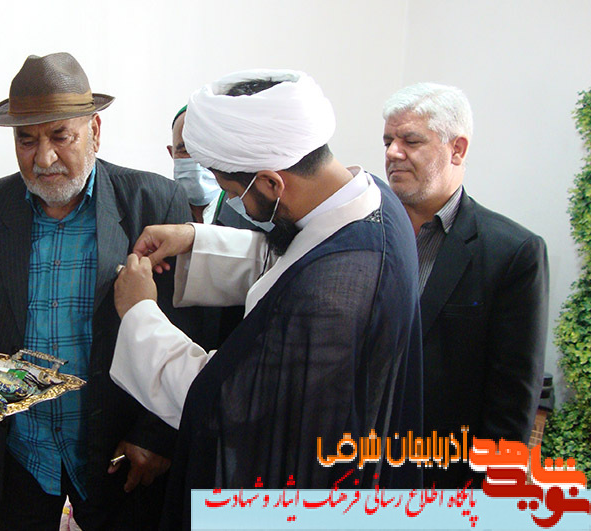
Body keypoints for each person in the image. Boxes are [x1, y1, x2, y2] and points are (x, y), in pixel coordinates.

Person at [110, 70, 424, 529]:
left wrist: (138, 311)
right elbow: (294, 255)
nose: (233, 201)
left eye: (233, 191)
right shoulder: (368, 197)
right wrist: (194, 239)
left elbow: (223, 403)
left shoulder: (330, 295)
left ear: (272, 183)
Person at [0, 52, 197, 530]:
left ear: (94, 130)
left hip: (120, 456)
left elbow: (189, 329)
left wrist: (156, 436)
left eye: (60, 136)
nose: (43, 158)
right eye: (26, 140)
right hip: (19, 454)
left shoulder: (155, 202)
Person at [382, 82, 549, 488]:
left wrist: (481, 500)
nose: (393, 153)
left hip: (439, 480)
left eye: (410, 141)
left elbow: (511, 403)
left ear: (457, 149)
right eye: (388, 141)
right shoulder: (367, 233)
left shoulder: (512, 253)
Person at [169, 106, 259, 230]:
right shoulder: (160, 209)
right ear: (171, 153)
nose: (197, 161)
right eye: (185, 151)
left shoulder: (251, 211)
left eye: (207, 150)